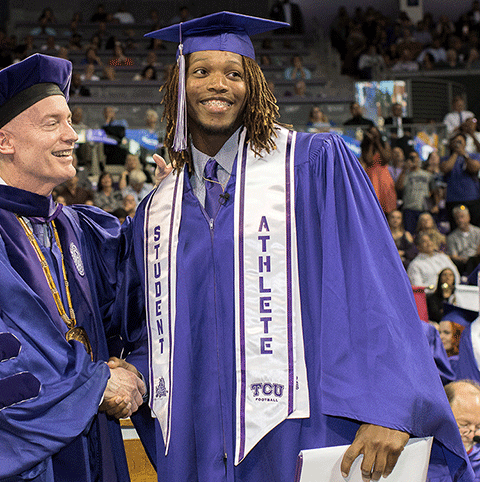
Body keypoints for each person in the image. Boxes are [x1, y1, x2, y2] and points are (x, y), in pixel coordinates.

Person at [117, 11, 474, 482]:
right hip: (201, 439)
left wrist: (391, 405)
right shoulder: (156, 212)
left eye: (234, 73)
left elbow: (371, 281)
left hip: (303, 427)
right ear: (177, 90)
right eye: (200, 72)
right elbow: (155, 329)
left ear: (255, 87)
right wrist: (134, 375)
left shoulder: (312, 166)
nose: (217, 84)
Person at [0, 54, 146, 482]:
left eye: (70, 121)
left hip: (91, 446)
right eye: (52, 123)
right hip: (18, 465)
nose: (72, 135)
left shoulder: (78, 227)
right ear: (5, 142)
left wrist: (171, 210)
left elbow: (138, 290)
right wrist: (95, 386)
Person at [428, 381, 480, 481]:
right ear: (441, 417)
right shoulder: (418, 460)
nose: (471, 436)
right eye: (464, 425)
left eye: (478, 427)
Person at [441, 133, 480, 229]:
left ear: (465, 144)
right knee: (454, 228)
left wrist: (464, 154)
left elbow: (474, 168)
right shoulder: (445, 158)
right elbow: (446, 168)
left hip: (471, 198)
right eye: (455, 142)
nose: (457, 144)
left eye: (460, 142)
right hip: (453, 199)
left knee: (475, 227)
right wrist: (455, 153)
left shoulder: (473, 156)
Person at [396, 150, 435, 234]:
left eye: (415, 157)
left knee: (425, 233)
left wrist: (434, 205)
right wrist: (404, 170)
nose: (413, 160)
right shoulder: (405, 174)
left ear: (418, 159)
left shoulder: (427, 174)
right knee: (410, 233)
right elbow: (399, 187)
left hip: (423, 208)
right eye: (411, 157)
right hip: (409, 209)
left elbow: (434, 190)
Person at [447, 205, 480, 276]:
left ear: (468, 217)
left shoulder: (478, 232)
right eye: (457, 218)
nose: (460, 220)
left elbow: (478, 251)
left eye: (462, 217)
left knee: (473, 261)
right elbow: (454, 255)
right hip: (461, 262)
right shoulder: (451, 237)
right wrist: (464, 259)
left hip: (476, 260)